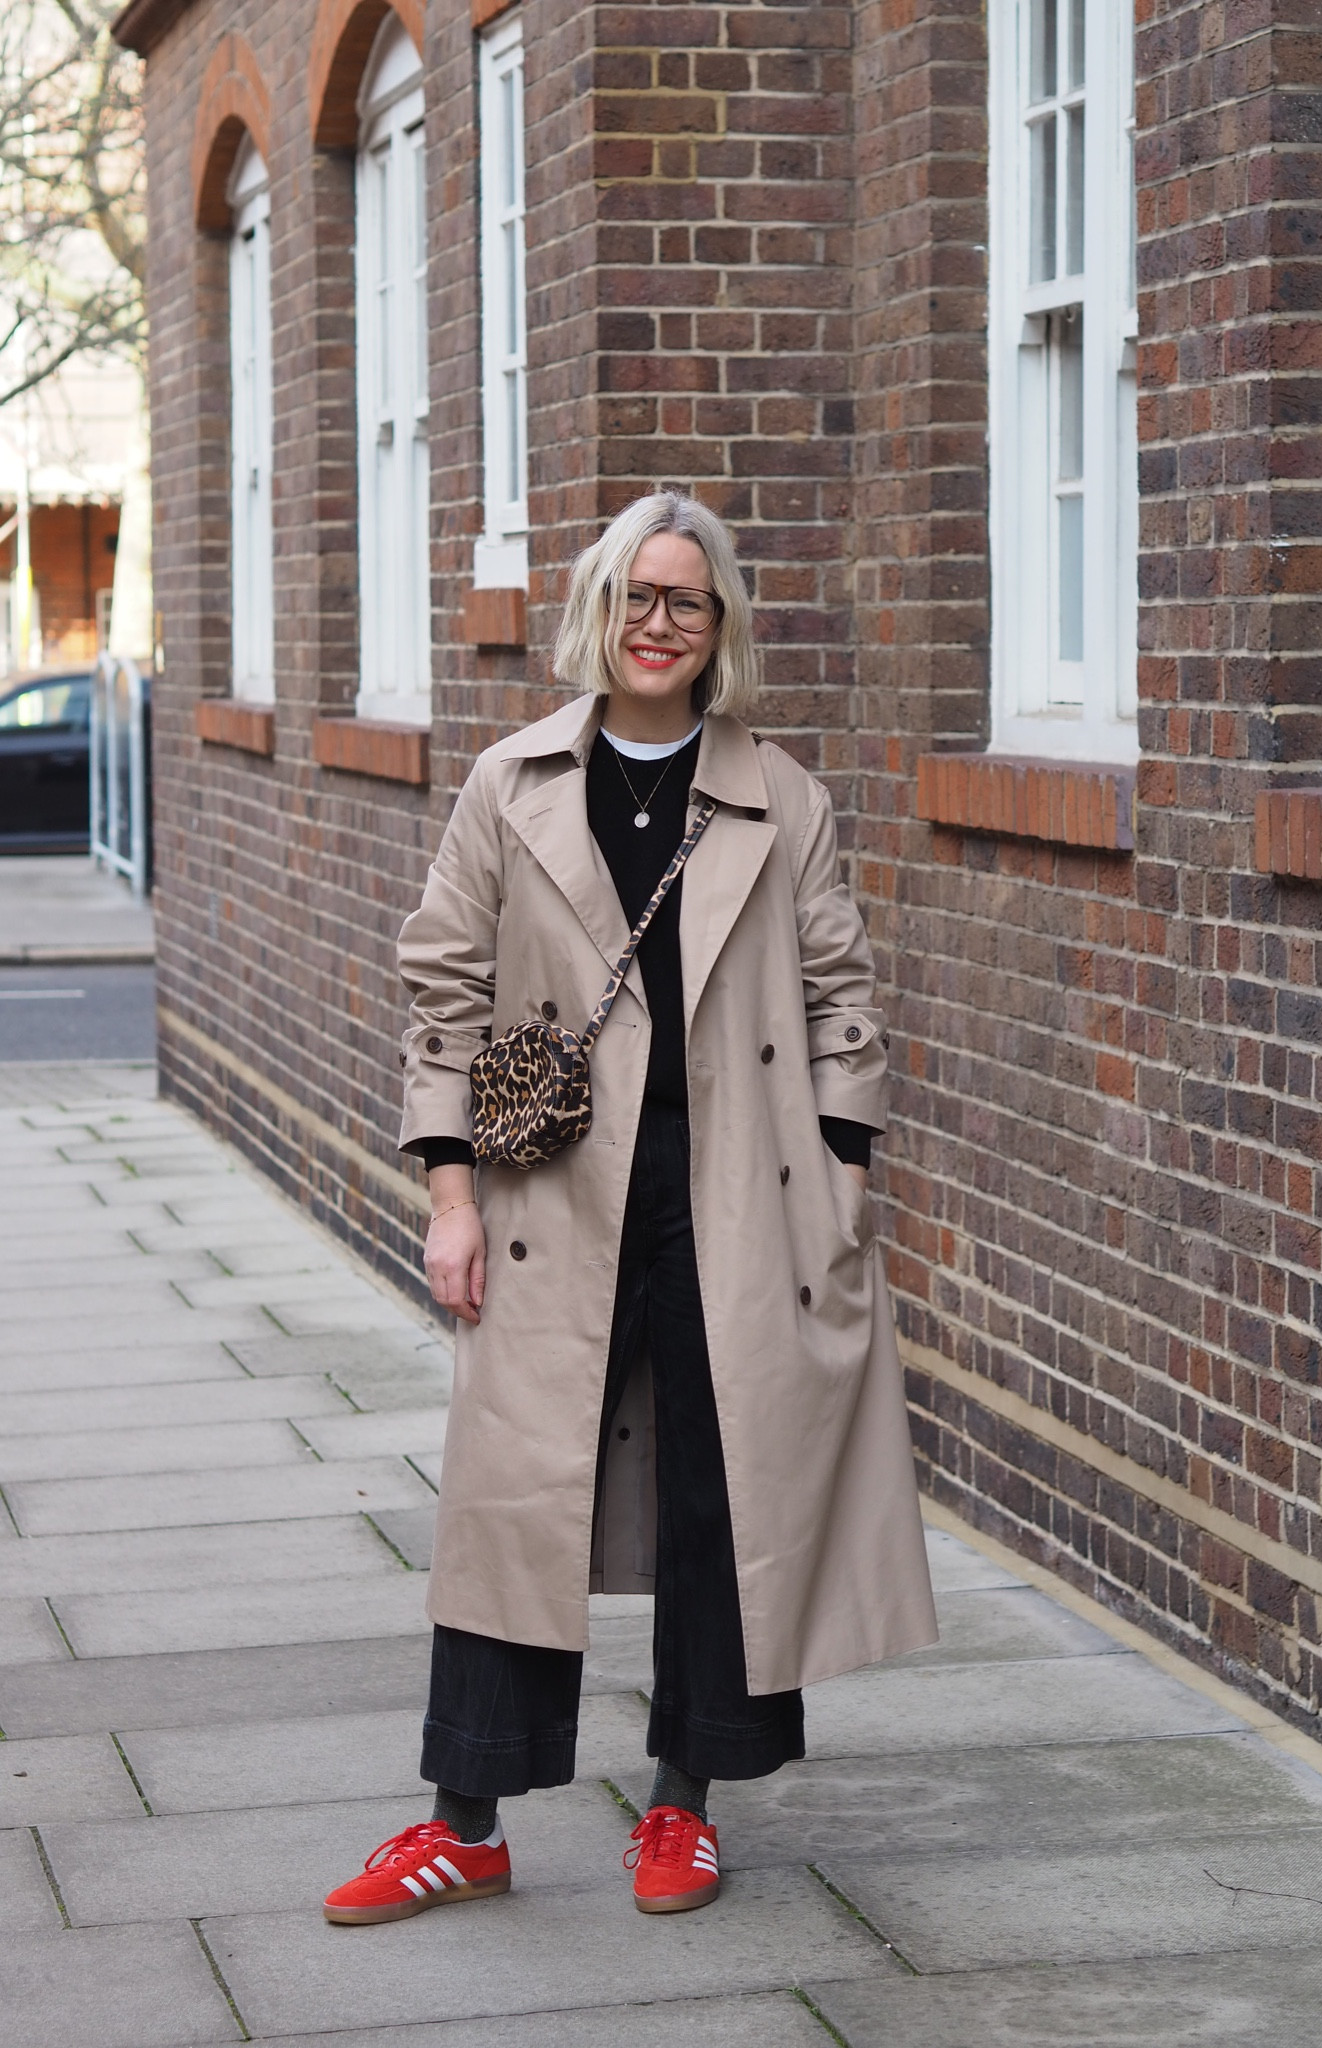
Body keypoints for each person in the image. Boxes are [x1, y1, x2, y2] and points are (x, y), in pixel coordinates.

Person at [323, 491, 938, 1927]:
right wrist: (451, 1198)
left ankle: (682, 1804)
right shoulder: (511, 783)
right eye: (636, 597)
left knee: (726, 1501)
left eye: (687, 601)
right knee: (510, 1498)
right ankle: (463, 1824)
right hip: (553, 1197)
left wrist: (841, 1188)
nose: (658, 624)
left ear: (721, 628)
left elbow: (842, 997)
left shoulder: (779, 795)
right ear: (597, 610)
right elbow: (443, 994)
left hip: (740, 1198)